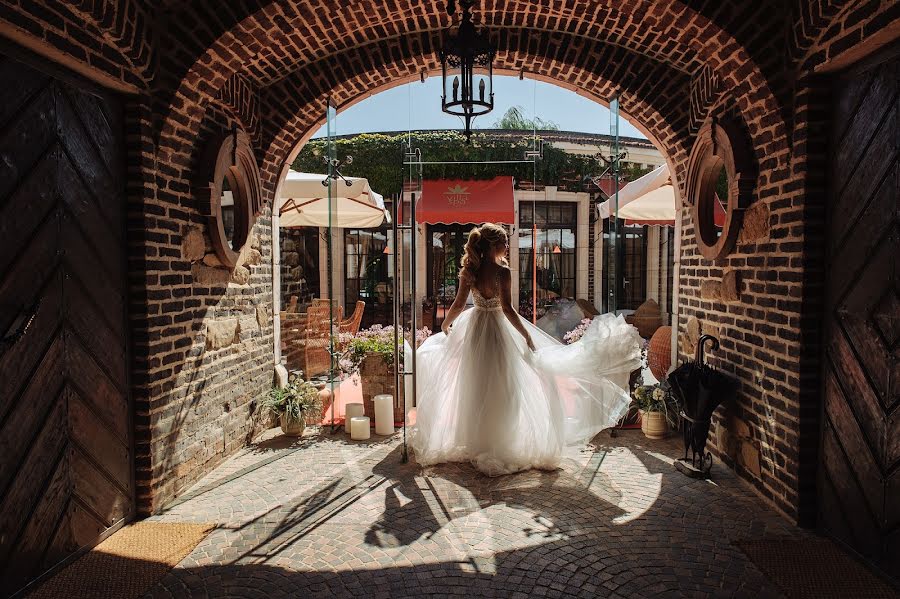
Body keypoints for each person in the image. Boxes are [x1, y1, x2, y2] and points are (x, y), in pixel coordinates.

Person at [410, 223, 643, 476]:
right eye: (504, 242)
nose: (507, 246)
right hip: (498, 331)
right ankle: (499, 441)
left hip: (475, 328)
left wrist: (445, 324)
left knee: (476, 384)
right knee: (504, 385)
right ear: (494, 245)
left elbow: (457, 305)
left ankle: (478, 442)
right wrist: (524, 335)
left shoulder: (472, 271)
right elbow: (508, 310)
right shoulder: (502, 272)